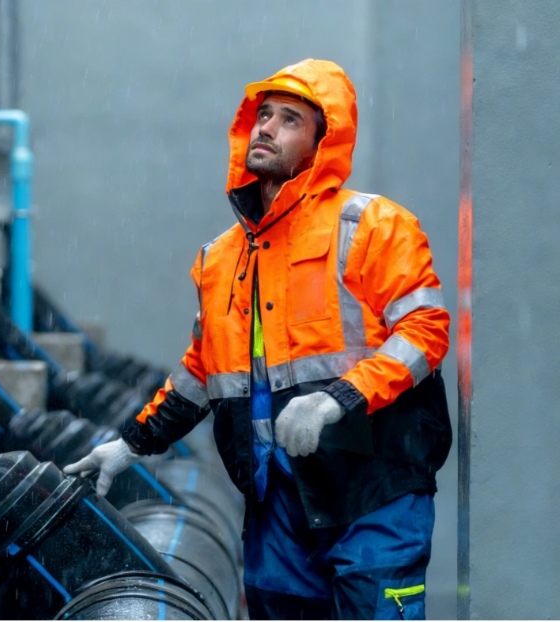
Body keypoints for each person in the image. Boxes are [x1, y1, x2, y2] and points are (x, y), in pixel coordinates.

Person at [64, 59, 452, 620]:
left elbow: (424, 330)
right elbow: (202, 372)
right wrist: (130, 445)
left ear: (323, 142)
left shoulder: (372, 226)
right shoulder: (221, 258)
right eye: (263, 115)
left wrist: (336, 398)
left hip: (375, 497)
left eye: (290, 119)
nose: (266, 127)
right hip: (276, 509)